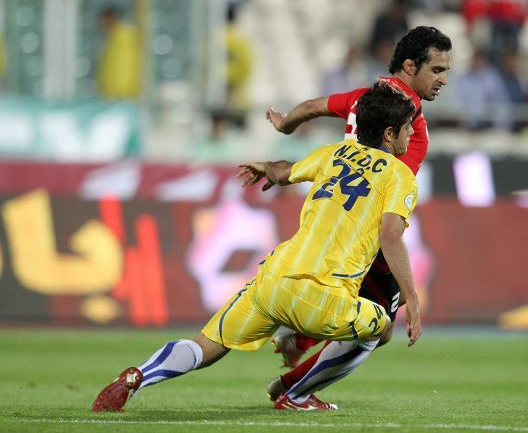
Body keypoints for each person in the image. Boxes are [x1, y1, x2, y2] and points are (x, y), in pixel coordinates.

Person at [91, 82, 422, 412]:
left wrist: (266, 167)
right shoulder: (400, 176)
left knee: (204, 346)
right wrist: (413, 298)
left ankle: (139, 375)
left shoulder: (333, 153)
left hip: (272, 282)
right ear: (389, 134)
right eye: (407, 127)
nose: (411, 133)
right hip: (325, 298)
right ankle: (297, 394)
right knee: (381, 328)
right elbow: (391, 236)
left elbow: (283, 172)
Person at [263, 25, 451, 407]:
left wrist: (286, 125)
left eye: (446, 71)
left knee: (361, 312)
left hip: (335, 217)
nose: (443, 79)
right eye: (436, 70)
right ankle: (293, 388)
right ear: (410, 66)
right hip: (371, 231)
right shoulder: (408, 122)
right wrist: (414, 296)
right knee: (378, 327)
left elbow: (312, 107)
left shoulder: (363, 98)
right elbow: (392, 204)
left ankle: (298, 348)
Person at [96, 6, 142, 100]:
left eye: (105, 20)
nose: (103, 24)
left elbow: (126, 65)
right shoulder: (112, 38)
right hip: (112, 94)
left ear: (113, 18)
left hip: (124, 94)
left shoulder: (126, 36)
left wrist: (128, 91)